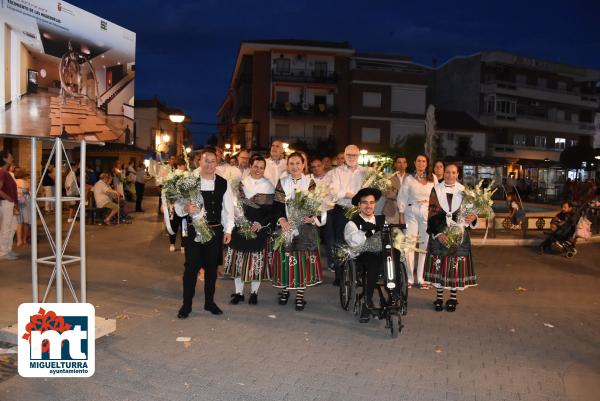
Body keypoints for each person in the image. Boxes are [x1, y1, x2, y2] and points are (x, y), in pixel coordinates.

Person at [176, 148, 234, 318]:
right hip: (194, 230)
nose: (209, 164)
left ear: (217, 163)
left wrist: (228, 230)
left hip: (215, 231)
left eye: (212, 161)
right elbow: (179, 206)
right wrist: (185, 207)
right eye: (205, 160)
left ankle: (209, 302)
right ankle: (186, 305)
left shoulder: (223, 183)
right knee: (191, 268)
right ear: (199, 162)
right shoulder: (190, 181)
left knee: (211, 269)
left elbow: (228, 209)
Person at [272, 152, 325, 311]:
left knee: (302, 261)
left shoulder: (311, 182)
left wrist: (312, 217)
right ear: (287, 166)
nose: (294, 167)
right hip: (286, 227)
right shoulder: (282, 182)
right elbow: (277, 206)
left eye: (297, 163)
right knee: (286, 259)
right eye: (291, 163)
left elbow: (317, 205)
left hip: (305, 228)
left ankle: (300, 294)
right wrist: (282, 220)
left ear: (303, 165)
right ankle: (285, 289)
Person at [424, 164, 478, 312]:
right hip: (440, 231)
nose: (450, 175)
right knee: (440, 265)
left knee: (455, 266)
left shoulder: (465, 191)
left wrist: (473, 217)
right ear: (443, 173)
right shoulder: (436, 189)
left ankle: (453, 298)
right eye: (447, 172)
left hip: (459, 233)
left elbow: (471, 211)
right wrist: (439, 233)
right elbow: (432, 213)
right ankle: (439, 297)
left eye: (453, 172)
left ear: (457, 174)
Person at [224, 155, 275, 305]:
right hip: (240, 227)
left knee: (256, 263)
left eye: (261, 167)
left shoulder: (270, 186)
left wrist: (261, 223)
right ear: (250, 166)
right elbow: (232, 207)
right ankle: (238, 293)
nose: (258, 170)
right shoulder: (240, 184)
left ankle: (254, 293)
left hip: (258, 229)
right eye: (255, 166)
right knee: (239, 262)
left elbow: (272, 211)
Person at [343, 188, 386, 322]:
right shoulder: (352, 223)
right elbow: (354, 242)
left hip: (382, 253)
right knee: (372, 262)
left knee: (394, 255)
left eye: (371, 203)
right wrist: (367, 233)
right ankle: (367, 301)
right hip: (363, 254)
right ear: (360, 205)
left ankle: (394, 296)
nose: (368, 206)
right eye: (365, 203)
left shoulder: (382, 220)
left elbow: (389, 237)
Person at [328, 145, 366, 285]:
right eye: (348, 155)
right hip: (342, 210)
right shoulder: (336, 171)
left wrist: (354, 196)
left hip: (360, 211)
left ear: (358, 156)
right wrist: (354, 195)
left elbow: (368, 190)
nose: (351, 157)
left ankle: (359, 274)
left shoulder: (365, 172)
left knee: (360, 241)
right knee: (340, 243)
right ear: (344, 156)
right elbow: (335, 192)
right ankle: (340, 275)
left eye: (354, 155)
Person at [398, 154, 435, 289]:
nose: (421, 163)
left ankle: (420, 278)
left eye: (423, 161)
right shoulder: (409, 179)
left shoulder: (433, 178)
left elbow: (436, 197)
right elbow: (402, 197)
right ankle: (409, 278)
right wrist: (401, 214)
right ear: (414, 163)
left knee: (424, 246)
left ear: (427, 163)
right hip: (411, 212)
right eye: (418, 161)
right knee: (409, 244)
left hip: (427, 213)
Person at [0, 151, 19, 260]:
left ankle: (8, 249)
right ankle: (3, 251)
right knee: (6, 227)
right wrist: (8, 198)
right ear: (4, 159)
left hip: (10, 204)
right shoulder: (2, 172)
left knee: (12, 227)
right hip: (6, 203)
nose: (12, 158)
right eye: (11, 157)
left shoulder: (6, 172)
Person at [168, 158, 188, 252]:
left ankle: (182, 245)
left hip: (185, 205)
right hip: (174, 205)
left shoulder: (187, 175)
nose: (185, 167)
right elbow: (168, 191)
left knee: (183, 227)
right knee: (174, 226)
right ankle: (173, 244)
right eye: (184, 165)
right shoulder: (171, 176)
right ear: (179, 166)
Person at [382, 156, 408, 224]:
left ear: (406, 164)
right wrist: (402, 193)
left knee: (408, 233)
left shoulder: (411, 178)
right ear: (395, 164)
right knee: (393, 233)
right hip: (392, 210)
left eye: (404, 162)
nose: (401, 165)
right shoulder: (389, 178)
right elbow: (387, 193)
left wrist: (397, 191)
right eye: (399, 162)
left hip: (407, 211)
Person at [14, 167, 31, 247]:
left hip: (17, 202)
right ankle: (24, 240)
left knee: (19, 222)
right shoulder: (25, 182)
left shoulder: (14, 182)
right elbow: (29, 191)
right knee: (26, 222)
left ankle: (18, 240)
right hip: (25, 203)